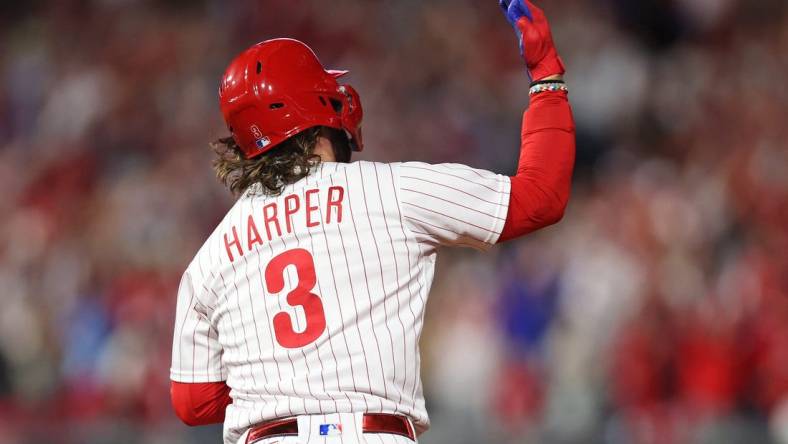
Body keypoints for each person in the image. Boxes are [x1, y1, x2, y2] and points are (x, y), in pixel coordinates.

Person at [169, 1, 575, 443]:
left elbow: (193, 402)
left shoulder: (209, 258)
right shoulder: (389, 190)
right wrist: (546, 79)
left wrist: (284, 375)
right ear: (321, 110)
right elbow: (539, 198)